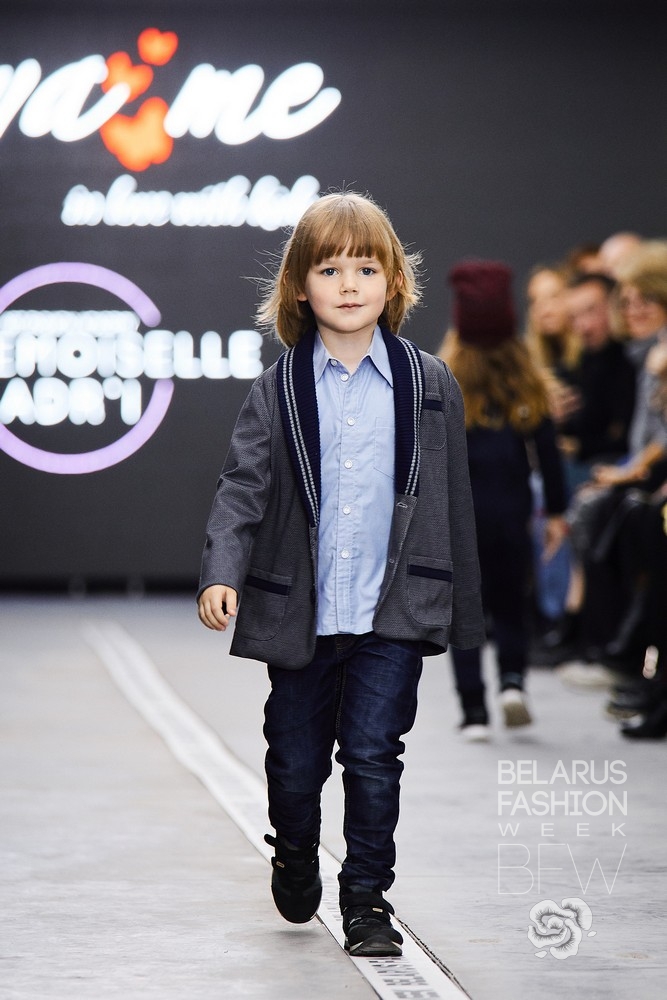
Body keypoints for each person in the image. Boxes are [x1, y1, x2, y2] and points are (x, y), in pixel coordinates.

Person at [197, 192, 485, 956]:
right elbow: (242, 486)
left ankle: (366, 900)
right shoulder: (278, 386)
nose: (349, 284)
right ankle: (294, 852)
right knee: (294, 764)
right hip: (304, 611)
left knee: (373, 755)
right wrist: (222, 571)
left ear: (395, 281)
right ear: (299, 287)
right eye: (329, 269)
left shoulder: (429, 383)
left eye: (366, 268)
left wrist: (463, 612)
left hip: (392, 609)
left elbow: (452, 499)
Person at [439, 261, 568, 741]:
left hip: (461, 516)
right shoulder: (526, 380)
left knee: (465, 611)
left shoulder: (446, 378)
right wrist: (557, 513)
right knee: (511, 601)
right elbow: (548, 453)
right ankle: (512, 682)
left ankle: (474, 710)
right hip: (512, 513)